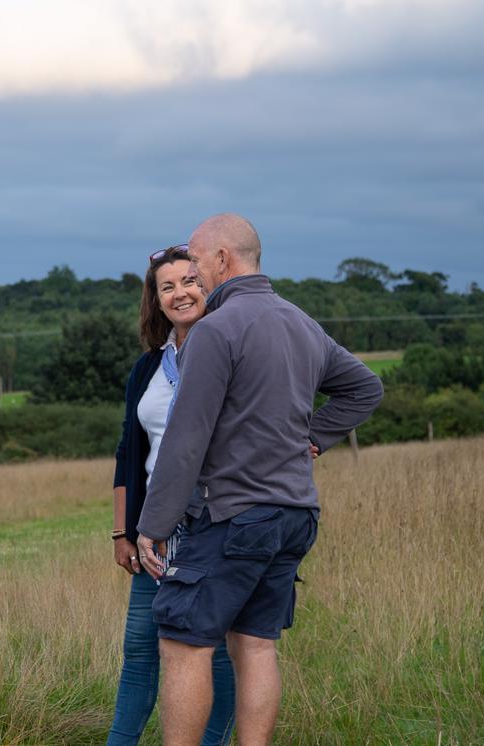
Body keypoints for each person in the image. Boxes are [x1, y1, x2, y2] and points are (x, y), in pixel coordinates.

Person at [136, 214, 383, 746]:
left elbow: (186, 439)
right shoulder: (300, 322)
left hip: (234, 515)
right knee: (255, 645)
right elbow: (365, 388)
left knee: (183, 642)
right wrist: (313, 437)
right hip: (295, 514)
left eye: (198, 262)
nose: (194, 275)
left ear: (223, 259)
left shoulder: (217, 330)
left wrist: (152, 524)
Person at [107, 245, 235, 746]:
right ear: (156, 302)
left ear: (211, 286)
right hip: (153, 532)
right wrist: (123, 530)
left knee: (211, 649)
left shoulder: (230, 351)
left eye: (190, 281)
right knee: (140, 648)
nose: (181, 292)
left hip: (214, 524)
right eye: (167, 286)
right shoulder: (148, 368)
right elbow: (127, 452)